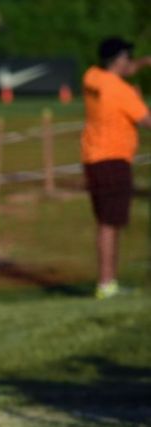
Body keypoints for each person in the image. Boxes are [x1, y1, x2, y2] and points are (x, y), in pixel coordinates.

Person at [81, 37, 151, 299]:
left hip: (93, 157)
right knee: (111, 223)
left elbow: (124, 71)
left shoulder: (92, 77)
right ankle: (107, 283)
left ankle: (107, 282)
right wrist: (138, 98)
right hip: (114, 159)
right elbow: (146, 120)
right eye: (127, 57)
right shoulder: (121, 90)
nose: (130, 62)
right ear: (118, 60)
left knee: (105, 221)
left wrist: (144, 62)